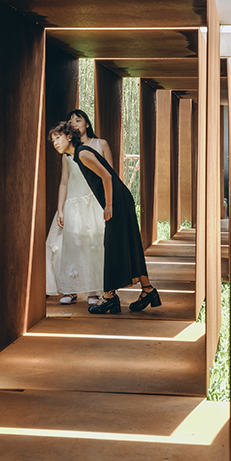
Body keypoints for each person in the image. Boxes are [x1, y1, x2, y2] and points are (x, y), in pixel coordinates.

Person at [49, 120, 162, 315]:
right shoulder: (76, 155)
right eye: (53, 140)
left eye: (58, 138)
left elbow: (107, 176)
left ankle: (110, 297)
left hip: (117, 201)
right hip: (119, 199)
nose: (56, 143)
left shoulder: (82, 153)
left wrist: (109, 205)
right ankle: (148, 291)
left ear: (69, 136)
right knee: (128, 243)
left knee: (112, 246)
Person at [45, 110, 111, 305]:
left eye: (78, 119)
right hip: (73, 203)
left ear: (87, 124)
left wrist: (109, 203)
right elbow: (64, 182)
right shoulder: (67, 153)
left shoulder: (100, 145)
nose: (74, 123)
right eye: (70, 121)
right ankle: (70, 289)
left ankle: (93, 292)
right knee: (71, 246)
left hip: (94, 202)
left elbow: (110, 175)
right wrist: (61, 209)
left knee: (94, 245)